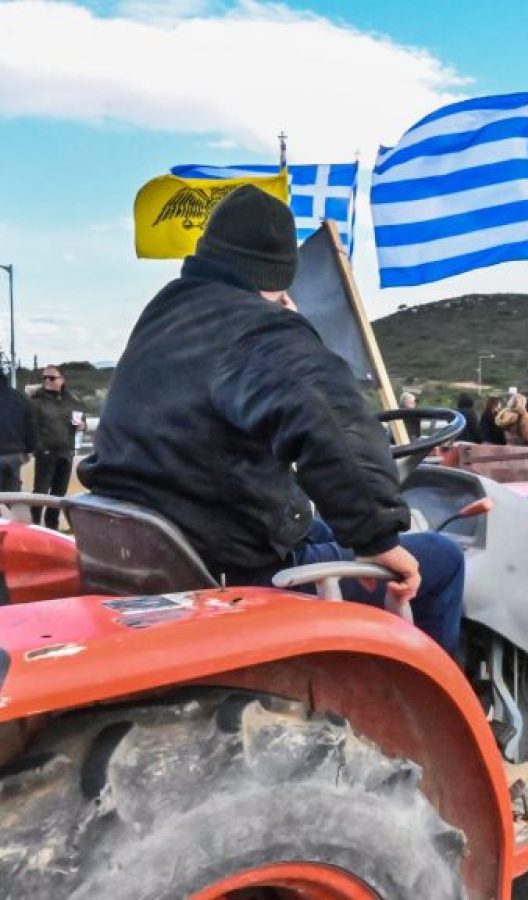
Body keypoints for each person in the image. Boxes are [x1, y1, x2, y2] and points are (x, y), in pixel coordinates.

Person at [78, 185, 463, 655]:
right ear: (280, 275)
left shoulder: (168, 313)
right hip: (229, 569)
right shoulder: (258, 328)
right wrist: (377, 536)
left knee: (317, 527)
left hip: (169, 537)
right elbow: (333, 422)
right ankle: (432, 711)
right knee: (442, 558)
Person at [29, 365, 85, 530]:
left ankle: (52, 525)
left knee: (59, 492)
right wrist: (39, 446)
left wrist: (82, 425)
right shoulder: (36, 400)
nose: (47, 381)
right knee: (40, 491)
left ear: (62, 379)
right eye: (44, 378)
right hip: (46, 452)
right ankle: (35, 525)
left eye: (51, 378)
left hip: (66, 452)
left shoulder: (73, 399)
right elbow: (31, 426)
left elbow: (82, 420)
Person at [0, 373, 36, 493]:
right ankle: (8, 511)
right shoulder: (20, 397)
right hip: (14, 455)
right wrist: (29, 449)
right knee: (11, 495)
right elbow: (30, 427)